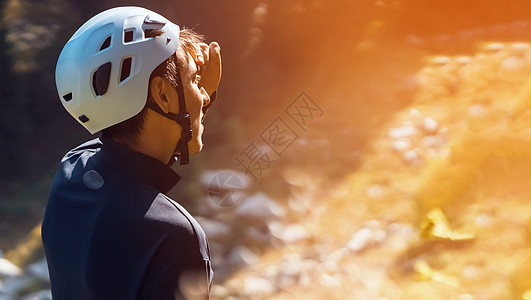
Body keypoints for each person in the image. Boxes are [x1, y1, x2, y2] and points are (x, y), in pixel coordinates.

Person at [41, 6, 221, 299]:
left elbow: (142, 152)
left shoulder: (71, 173)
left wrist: (193, 98)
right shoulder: (174, 236)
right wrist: (191, 106)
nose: (202, 95)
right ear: (162, 94)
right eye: (195, 82)